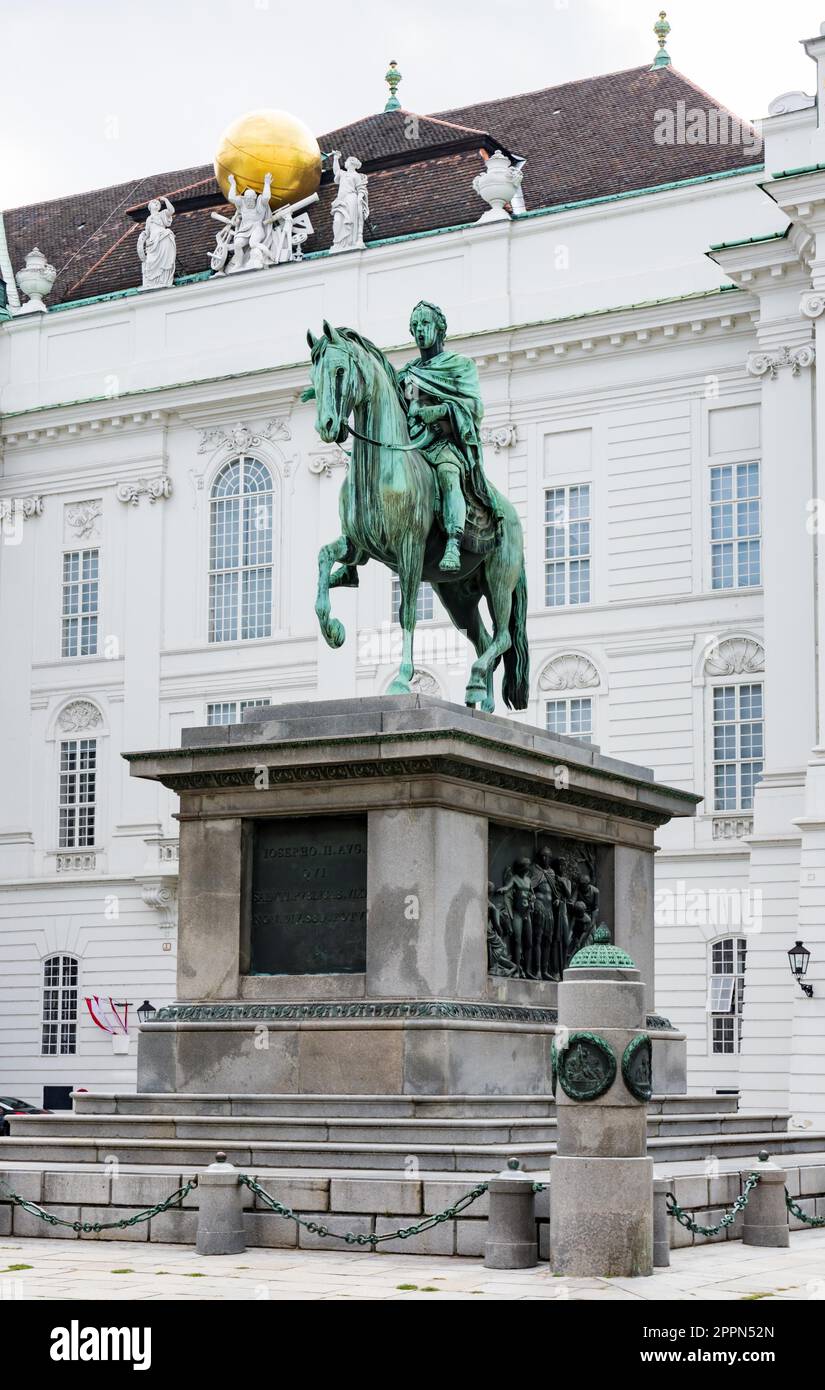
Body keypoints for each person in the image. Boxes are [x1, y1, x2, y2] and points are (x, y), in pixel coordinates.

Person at [398, 300, 503, 572]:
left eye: (425, 324)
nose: (419, 330)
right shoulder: (408, 372)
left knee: (448, 473)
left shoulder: (460, 365)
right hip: (411, 444)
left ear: (439, 329)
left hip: (443, 442)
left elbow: (474, 407)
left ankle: (454, 543)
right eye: (415, 326)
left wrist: (439, 411)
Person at [330, 152, 369, 252]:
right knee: (337, 220)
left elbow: (361, 189)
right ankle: (338, 243)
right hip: (341, 200)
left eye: (346, 161)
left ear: (351, 163)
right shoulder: (343, 173)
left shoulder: (356, 176)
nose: (345, 163)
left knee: (350, 221)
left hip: (351, 199)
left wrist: (360, 197)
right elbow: (336, 171)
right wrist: (336, 159)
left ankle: (350, 242)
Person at [137, 197, 176, 289]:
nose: (156, 203)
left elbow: (171, 210)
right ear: (149, 207)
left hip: (163, 238)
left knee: (165, 260)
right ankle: (153, 282)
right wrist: (142, 237)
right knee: (150, 261)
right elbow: (147, 232)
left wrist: (166, 200)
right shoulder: (148, 219)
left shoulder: (162, 214)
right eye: (154, 202)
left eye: (157, 203)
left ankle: (164, 280)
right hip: (153, 242)